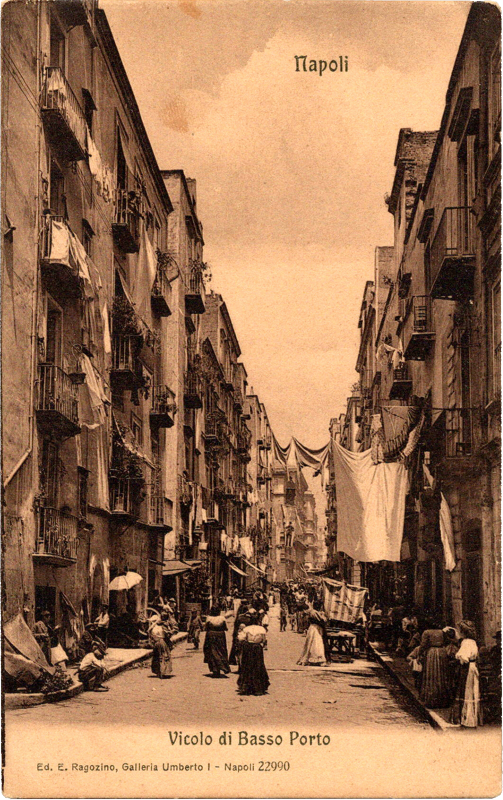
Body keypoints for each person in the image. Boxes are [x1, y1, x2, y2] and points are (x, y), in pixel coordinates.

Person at [450, 620, 482, 727]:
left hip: (467, 668)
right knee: (471, 691)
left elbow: (464, 658)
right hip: (473, 667)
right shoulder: (472, 641)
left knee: (465, 690)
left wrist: (457, 658)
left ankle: (466, 719)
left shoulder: (466, 642)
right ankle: (470, 718)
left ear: (463, 632)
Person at [417, 619, 451, 708]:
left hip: (432, 653)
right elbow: (447, 641)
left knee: (432, 675)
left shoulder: (427, 632)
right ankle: (442, 700)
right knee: (442, 675)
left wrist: (420, 653)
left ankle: (431, 700)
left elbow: (423, 645)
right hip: (442, 652)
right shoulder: (442, 632)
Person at [237, 610, 270, 696]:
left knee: (247, 666)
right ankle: (258, 688)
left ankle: (246, 687)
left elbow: (241, 638)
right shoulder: (262, 629)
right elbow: (264, 640)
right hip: (257, 648)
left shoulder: (246, 629)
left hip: (248, 648)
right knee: (258, 666)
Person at [297, 600, 327, 666]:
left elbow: (321, 620)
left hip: (314, 628)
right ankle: (315, 658)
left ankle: (313, 658)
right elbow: (322, 620)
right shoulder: (313, 612)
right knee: (315, 643)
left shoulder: (312, 612)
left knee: (313, 643)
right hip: (314, 628)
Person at [203, 605, 230, 678]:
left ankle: (215, 669)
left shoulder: (209, 618)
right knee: (221, 651)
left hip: (211, 635)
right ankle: (222, 666)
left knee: (212, 651)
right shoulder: (222, 618)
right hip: (220, 636)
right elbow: (225, 628)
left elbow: (206, 628)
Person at [149, 612, 174, 679]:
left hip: (156, 643)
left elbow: (148, 632)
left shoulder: (153, 628)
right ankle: (163, 671)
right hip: (162, 642)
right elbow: (167, 635)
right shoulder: (163, 627)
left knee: (156, 657)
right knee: (164, 656)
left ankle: (158, 671)